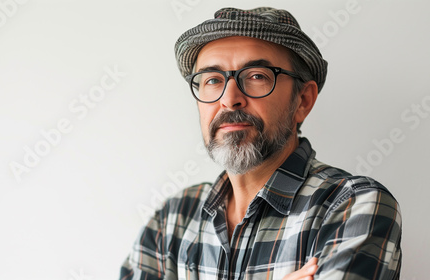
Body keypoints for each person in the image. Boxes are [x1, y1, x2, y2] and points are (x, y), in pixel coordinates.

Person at [120, 7, 402, 280]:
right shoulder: (172, 218)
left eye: (256, 77)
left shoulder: (353, 206)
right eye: (213, 80)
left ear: (302, 100)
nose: (229, 99)